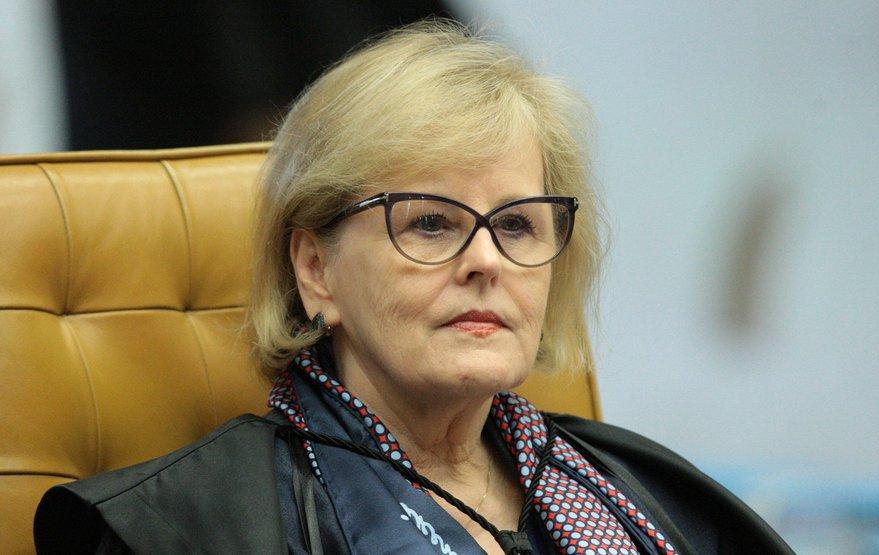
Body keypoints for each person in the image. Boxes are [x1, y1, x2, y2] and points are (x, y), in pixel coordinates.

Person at [34, 20, 792, 554]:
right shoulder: (172, 531)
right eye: (431, 223)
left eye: (517, 224)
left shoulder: (657, 496)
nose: (486, 259)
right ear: (316, 269)